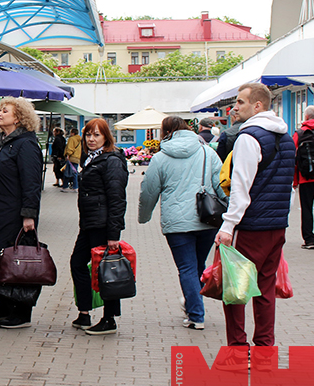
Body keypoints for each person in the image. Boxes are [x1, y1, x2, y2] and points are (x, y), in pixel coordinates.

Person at [214, 83, 294, 368]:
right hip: (276, 225)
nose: (236, 107)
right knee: (265, 290)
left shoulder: (248, 138)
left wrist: (227, 226)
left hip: (251, 226)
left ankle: (237, 351)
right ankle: (264, 353)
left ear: (257, 105)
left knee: (235, 290)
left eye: (241, 102)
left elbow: (241, 187)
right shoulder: (286, 138)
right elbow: (288, 185)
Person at [138, 116, 226, 330]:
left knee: (186, 267)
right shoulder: (208, 152)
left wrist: (144, 216)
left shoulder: (160, 158)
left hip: (177, 223)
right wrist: (231, 216)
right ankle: (193, 305)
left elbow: (149, 191)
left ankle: (196, 314)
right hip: (208, 218)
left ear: (165, 132)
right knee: (197, 265)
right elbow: (221, 185)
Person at [0, 97, 43, 329]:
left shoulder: (26, 144)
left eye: (4, 111)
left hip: (12, 214)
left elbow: (32, 182)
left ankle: (21, 309)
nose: (0, 113)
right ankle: (4, 302)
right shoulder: (4, 141)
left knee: (15, 262)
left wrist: (29, 215)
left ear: (18, 117)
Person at [69, 118, 129, 335]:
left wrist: (114, 233)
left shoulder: (111, 160)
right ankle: (84, 312)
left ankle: (109, 318)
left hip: (102, 225)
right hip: (89, 224)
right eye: (88, 134)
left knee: (105, 271)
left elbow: (117, 198)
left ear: (106, 137)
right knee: (78, 263)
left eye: (96, 135)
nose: (91, 139)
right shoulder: (92, 158)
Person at [293, 105, 314, 249]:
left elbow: (293, 158)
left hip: (305, 178)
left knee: (306, 208)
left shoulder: (299, 134)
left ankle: (309, 240)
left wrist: (294, 181)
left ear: (306, 117)